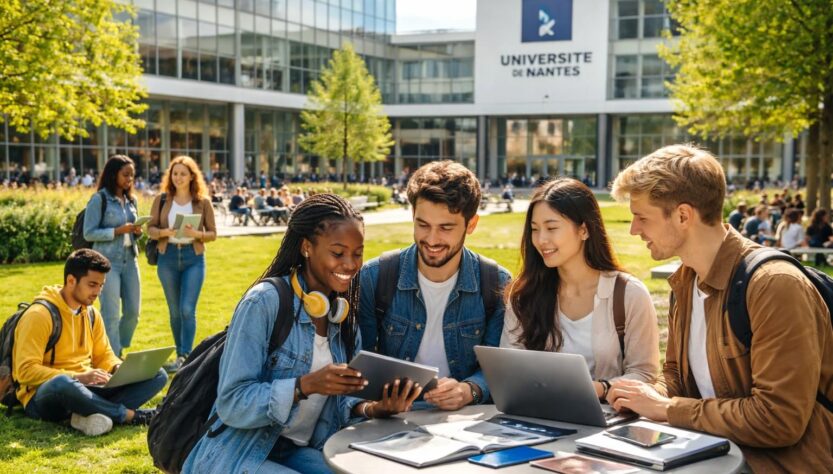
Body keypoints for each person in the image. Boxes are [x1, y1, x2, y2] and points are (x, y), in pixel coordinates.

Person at [609, 144, 833, 472]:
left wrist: (667, 409)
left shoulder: (774, 285)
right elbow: (676, 376)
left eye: (642, 217)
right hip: (718, 456)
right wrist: (640, 395)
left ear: (683, 215)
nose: (634, 229)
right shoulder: (685, 282)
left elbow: (779, 418)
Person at [183, 194, 416, 473]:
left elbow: (342, 402)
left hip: (299, 449)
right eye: (338, 253)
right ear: (307, 247)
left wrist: (374, 409)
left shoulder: (342, 318)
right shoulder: (264, 303)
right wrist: (303, 386)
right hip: (237, 453)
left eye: (357, 253)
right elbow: (232, 403)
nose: (351, 264)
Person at [359, 160, 511, 411]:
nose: (431, 239)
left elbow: (497, 367)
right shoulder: (375, 277)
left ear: (471, 224)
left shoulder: (496, 282)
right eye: (423, 225)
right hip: (391, 420)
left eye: (445, 228)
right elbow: (358, 363)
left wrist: (468, 390)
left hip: (463, 419)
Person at [500, 178, 659, 400]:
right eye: (535, 229)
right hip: (538, 417)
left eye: (551, 228)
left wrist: (602, 388)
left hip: (607, 421)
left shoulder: (629, 294)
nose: (541, 240)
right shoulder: (524, 293)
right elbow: (509, 366)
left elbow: (645, 373)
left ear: (584, 230)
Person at [12, 249, 165, 436]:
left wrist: (118, 369)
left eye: (101, 285)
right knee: (63, 383)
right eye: (92, 285)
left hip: (88, 389)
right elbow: (25, 371)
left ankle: (87, 414)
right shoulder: (39, 316)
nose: (98, 292)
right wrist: (78, 376)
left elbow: (104, 355)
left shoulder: (91, 314)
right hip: (46, 395)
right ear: (71, 281)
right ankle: (129, 416)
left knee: (157, 374)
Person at [148, 156, 217, 372]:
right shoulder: (161, 199)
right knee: (175, 311)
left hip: (193, 258)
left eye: (183, 174)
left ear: (191, 177)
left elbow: (213, 233)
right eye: (175, 173)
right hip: (167, 257)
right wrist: (165, 232)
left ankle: (186, 355)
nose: (178, 177)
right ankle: (179, 354)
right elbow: (150, 229)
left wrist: (196, 233)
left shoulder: (202, 202)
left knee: (187, 309)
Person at [83, 155, 143, 357]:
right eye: (125, 174)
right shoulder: (99, 199)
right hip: (107, 263)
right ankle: (114, 359)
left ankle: (120, 345)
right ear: (113, 174)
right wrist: (117, 231)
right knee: (110, 314)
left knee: (133, 312)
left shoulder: (131, 200)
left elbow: (130, 228)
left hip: (130, 259)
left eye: (132, 175)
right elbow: (88, 232)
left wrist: (136, 232)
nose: (130, 179)